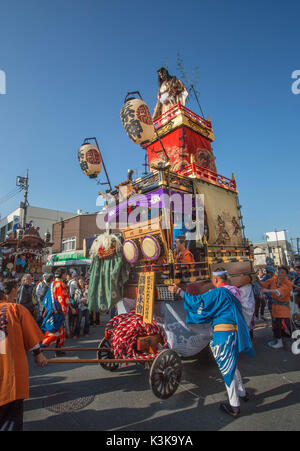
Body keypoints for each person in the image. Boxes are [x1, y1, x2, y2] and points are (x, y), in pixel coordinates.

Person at [168, 268, 254, 418]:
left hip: (223, 333)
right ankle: (242, 392)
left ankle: (234, 406)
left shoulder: (218, 293)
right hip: (234, 332)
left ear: (215, 280)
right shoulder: (234, 292)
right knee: (233, 364)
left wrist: (179, 291)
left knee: (227, 369)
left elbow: (197, 302)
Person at [0, 281, 47, 431]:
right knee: (10, 419)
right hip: (10, 370)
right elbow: (30, 336)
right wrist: (38, 354)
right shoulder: (15, 309)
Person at [259, 266, 293, 349]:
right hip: (275, 307)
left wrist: (268, 291)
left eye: (283, 273)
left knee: (287, 325)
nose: (280, 274)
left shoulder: (288, 283)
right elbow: (264, 284)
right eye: (279, 272)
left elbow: (280, 292)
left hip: (284, 308)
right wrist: (255, 279)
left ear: (286, 274)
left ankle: (290, 340)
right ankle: (279, 341)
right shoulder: (274, 280)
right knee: (276, 325)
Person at [41, 268, 73, 356]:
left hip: (51, 310)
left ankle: (58, 350)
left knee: (60, 332)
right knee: (54, 333)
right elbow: (63, 298)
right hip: (57, 312)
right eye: (65, 274)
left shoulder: (52, 283)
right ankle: (40, 349)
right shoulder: (60, 284)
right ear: (63, 275)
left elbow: (46, 298)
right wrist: (66, 309)